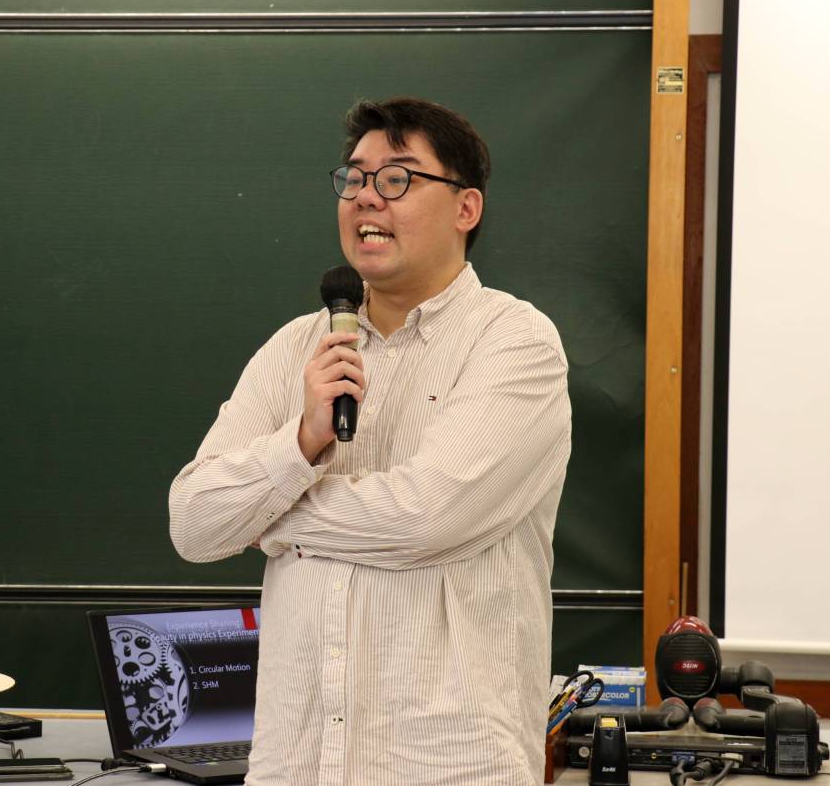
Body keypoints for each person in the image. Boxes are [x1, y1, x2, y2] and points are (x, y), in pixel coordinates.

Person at [169, 96, 571, 785]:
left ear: (466, 208)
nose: (365, 198)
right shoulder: (295, 346)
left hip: (447, 766)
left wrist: (270, 517)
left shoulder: (515, 342)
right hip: (296, 762)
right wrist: (300, 443)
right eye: (353, 178)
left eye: (397, 178)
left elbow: (424, 517)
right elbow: (194, 522)